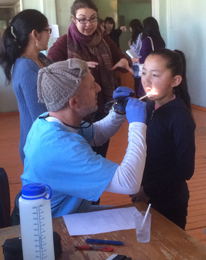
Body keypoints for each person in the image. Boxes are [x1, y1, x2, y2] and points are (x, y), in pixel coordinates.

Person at [19, 58, 147, 218]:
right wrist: (137, 125)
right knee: (139, 220)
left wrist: (118, 111)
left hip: (67, 213)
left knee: (135, 217)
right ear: (74, 102)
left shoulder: (48, 120)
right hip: (54, 225)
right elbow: (129, 183)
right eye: (92, 86)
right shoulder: (59, 147)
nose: (99, 88)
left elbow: (96, 135)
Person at [48, 0, 133, 159]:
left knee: (100, 153)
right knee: (81, 157)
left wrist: (124, 61)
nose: (89, 24)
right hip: (77, 112)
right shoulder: (64, 42)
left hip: (103, 106)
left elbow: (120, 57)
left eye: (93, 18)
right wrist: (76, 66)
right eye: (82, 20)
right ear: (73, 19)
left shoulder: (104, 39)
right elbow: (50, 70)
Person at [131, 49, 195, 230]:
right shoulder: (149, 106)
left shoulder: (179, 117)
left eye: (155, 75)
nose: (146, 80)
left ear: (175, 81)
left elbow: (185, 170)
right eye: (144, 72)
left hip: (168, 201)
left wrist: (147, 191)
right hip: (143, 191)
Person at [0, 9, 53, 163]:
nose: (49, 34)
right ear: (35, 34)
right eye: (47, 30)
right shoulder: (26, 68)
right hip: (38, 145)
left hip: (48, 139)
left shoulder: (42, 58)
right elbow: (41, 116)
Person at [133, 17, 166, 98]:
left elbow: (144, 59)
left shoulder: (147, 40)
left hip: (149, 71)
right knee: (156, 93)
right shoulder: (160, 40)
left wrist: (136, 59)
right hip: (159, 69)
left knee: (145, 95)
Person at [128, 19, 143, 97]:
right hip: (135, 62)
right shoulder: (137, 36)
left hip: (139, 62)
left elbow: (138, 49)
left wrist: (130, 45)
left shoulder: (141, 35)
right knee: (136, 82)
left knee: (139, 82)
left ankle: (139, 99)